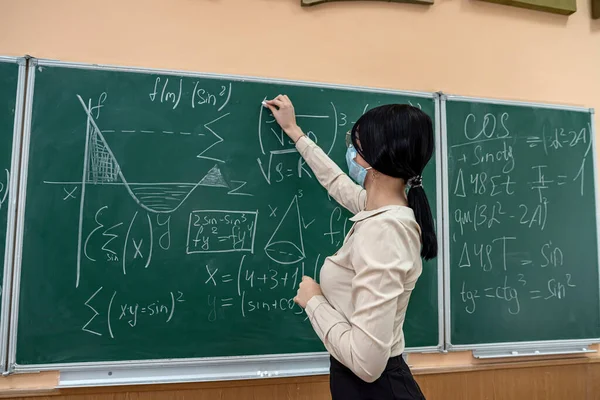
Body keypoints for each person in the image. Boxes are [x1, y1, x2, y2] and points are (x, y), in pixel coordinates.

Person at [264, 95, 436, 400]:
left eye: (356, 147)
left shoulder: (385, 230)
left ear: (373, 159)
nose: (351, 154)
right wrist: (295, 133)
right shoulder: (381, 211)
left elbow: (367, 363)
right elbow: (336, 182)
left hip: (376, 389)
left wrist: (314, 301)